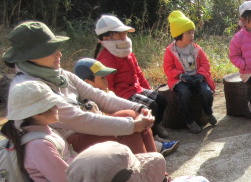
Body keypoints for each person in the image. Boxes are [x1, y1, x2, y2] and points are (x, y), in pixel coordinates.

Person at [3, 21, 156, 154]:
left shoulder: (60, 75)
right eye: (50, 50)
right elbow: (78, 120)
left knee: (132, 115)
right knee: (128, 125)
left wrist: (140, 108)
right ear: (30, 56)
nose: (59, 53)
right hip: (63, 145)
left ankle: (158, 176)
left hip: (81, 131)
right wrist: (132, 125)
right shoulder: (30, 87)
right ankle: (145, 178)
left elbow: (99, 96)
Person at [74, 58, 179, 156]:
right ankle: (151, 153)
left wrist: (141, 110)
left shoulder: (108, 93)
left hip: (115, 134)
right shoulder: (86, 105)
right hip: (102, 139)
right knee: (128, 118)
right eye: (102, 78)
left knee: (140, 116)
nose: (107, 80)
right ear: (87, 83)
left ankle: (153, 155)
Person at [94, 14, 169, 139]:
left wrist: (147, 89)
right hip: (123, 94)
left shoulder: (127, 52)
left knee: (161, 100)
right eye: (119, 33)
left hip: (136, 88)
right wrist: (114, 104)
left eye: (125, 33)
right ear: (106, 37)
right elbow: (107, 85)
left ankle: (157, 124)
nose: (124, 37)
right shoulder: (106, 58)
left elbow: (138, 73)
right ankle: (151, 133)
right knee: (151, 106)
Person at [2, 81, 75, 182]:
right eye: (52, 104)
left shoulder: (45, 132)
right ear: (38, 113)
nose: (57, 107)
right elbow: (67, 180)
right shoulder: (39, 145)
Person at [163, 11, 217, 134]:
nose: (192, 35)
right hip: (181, 79)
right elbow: (168, 68)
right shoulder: (170, 51)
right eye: (188, 32)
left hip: (197, 77)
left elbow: (205, 63)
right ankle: (189, 120)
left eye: (192, 32)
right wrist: (180, 75)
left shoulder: (196, 48)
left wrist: (201, 75)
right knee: (184, 93)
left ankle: (208, 113)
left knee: (206, 92)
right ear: (179, 34)